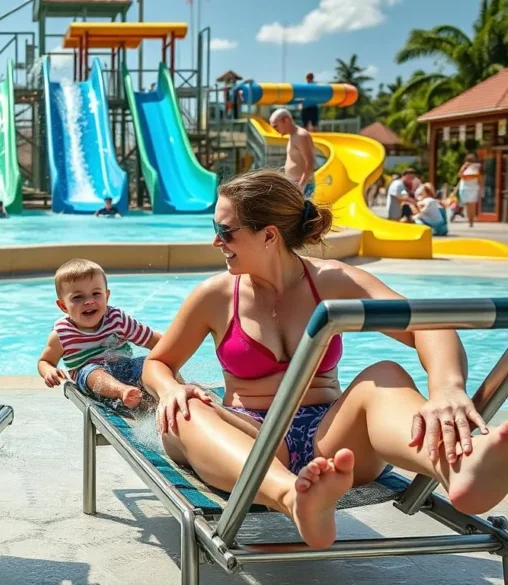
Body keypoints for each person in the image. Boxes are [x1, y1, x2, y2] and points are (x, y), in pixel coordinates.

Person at [143, 169, 508, 551]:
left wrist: (447, 388)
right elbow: (158, 362)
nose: (216, 240)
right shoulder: (215, 296)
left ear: (269, 235)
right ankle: (294, 498)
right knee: (186, 408)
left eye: (226, 230)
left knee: (384, 374)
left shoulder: (334, 281)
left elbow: (427, 324)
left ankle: (459, 466)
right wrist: (169, 388)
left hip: (333, 439)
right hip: (247, 438)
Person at [37, 259, 161, 409]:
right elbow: (45, 361)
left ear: (106, 296)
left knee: (150, 363)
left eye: (96, 293)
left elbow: (152, 340)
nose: (89, 301)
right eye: (77, 297)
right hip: (92, 382)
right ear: (63, 306)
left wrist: (170, 358)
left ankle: (176, 387)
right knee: (91, 371)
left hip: (126, 368)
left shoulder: (117, 320)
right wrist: (49, 371)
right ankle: (123, 392)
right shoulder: (61, 334)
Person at [269, 108, 316, 199]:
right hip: (296, 184)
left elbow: (310, 162)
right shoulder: (293, 136)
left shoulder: (301, 136)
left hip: (302, 185)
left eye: (276, 126)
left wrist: (301, 186)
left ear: (286, 120)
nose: (276, 130)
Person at [457, 154, 481, 228]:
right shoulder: (465, 168)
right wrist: (464, 167)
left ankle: (471, 221)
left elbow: (479, 177)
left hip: (471, 188)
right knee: (469, 205)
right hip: (468, 188)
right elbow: (460, 175)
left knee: (471, 205)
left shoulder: (477, 167)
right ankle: (470, 220)